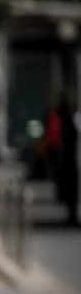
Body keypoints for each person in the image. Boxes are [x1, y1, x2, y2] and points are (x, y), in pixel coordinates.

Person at [56, 94, 79, 226]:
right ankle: (71, 215)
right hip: (70, 162)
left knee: (71, 192)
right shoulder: (69, 123)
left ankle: (72, 216)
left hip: (70, 162)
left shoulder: (69, 124)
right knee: (71, 193)